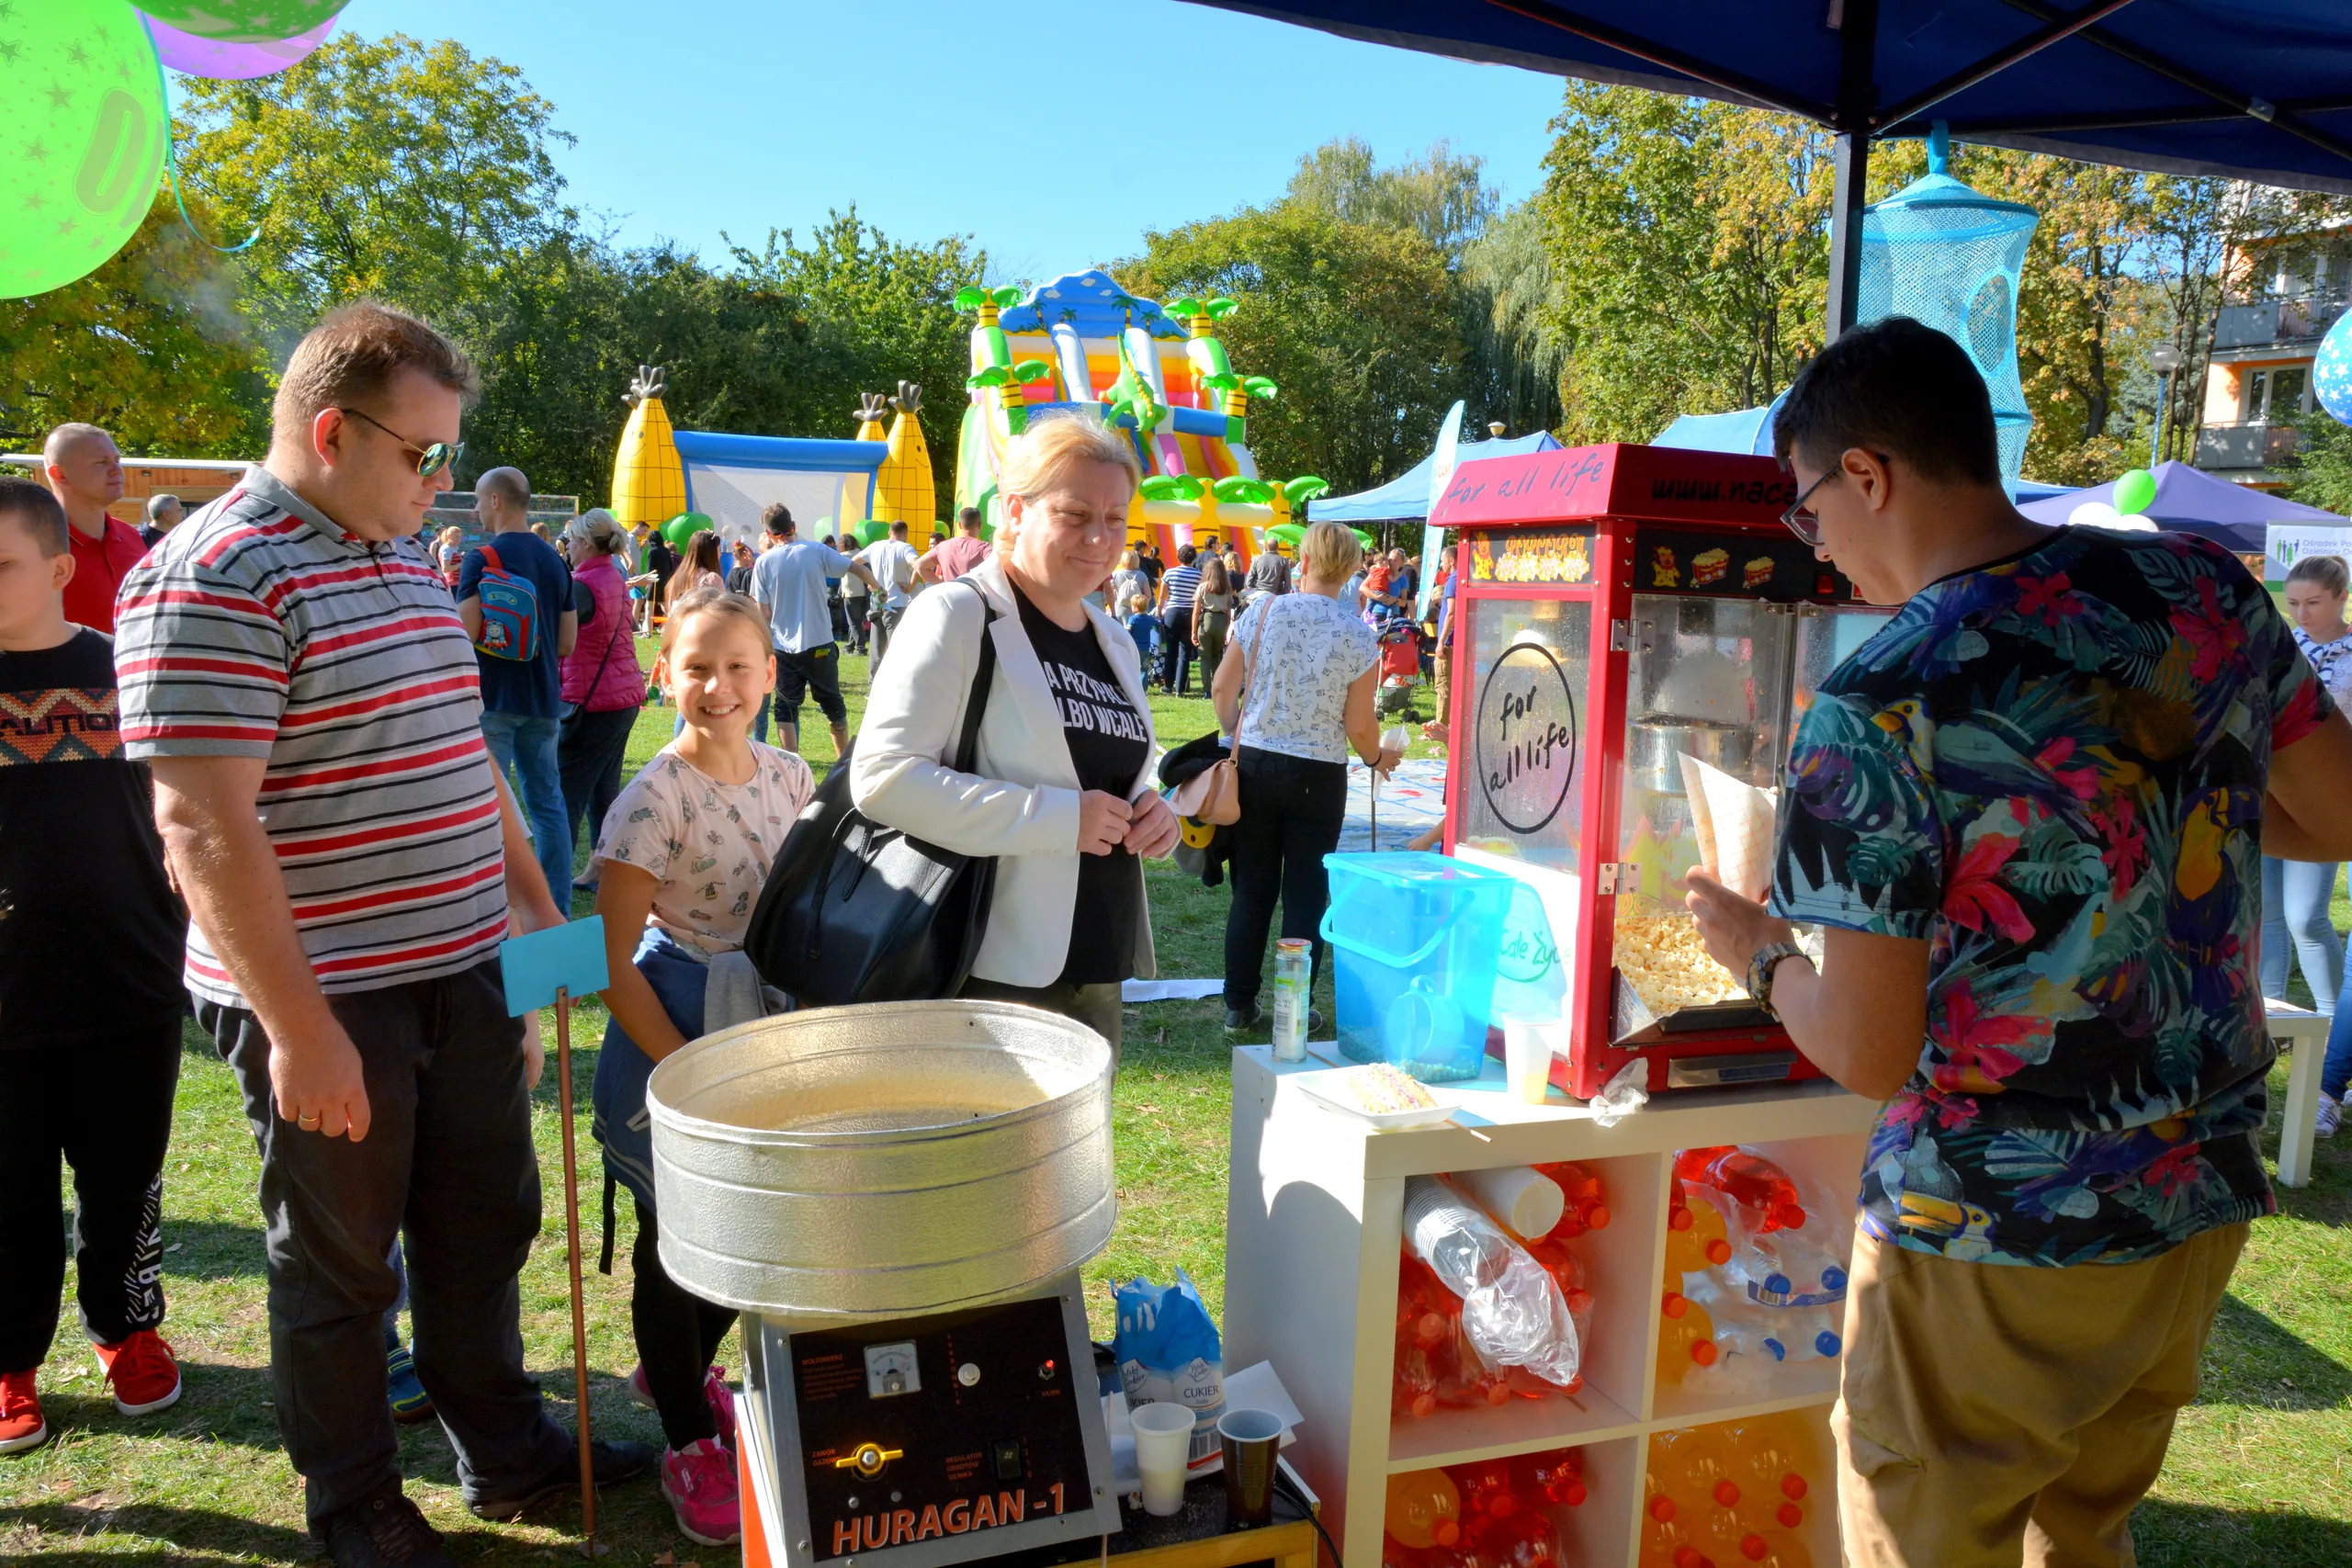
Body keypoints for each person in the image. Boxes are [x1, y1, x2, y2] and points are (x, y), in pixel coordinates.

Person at [1676, 316, 2352, 1568]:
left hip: (1995, 1227)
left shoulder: (1883, 694)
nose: (1814, 546)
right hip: (2196, 1191)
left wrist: (1759, 950)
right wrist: (2159, 809)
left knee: (1925, 1532)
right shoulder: (2199, 589)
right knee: (2078, 1534)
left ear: (1867, 474)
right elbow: (2337, 810)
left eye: (1808, 511)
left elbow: (1873, 1048)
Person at [116, 302, 652, 1566]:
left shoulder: (409, 554)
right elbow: (200, 825)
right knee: (343, 1264)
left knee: (485, 1220)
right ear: (326, 430)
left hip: (464, 963)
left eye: (448, 454)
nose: (442, 480)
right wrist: (301, 1031)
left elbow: (463, 761)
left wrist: (534, 914)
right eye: (421, 454)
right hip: (328, 996)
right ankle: (353, 1504)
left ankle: (506, 1447)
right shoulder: (211, 574)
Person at [589, 587, 813, 1548]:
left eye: (736, 667)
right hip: (674, 1029)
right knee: (675, 1245)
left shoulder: (795, 774)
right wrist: (683, 1075)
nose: (716, 686)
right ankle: (685, 1431)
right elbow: (610, 967)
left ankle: (676, 1367)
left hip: (763, 1026)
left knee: (746, 1236)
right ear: (662, 676)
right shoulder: (651, 800)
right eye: (696, 668)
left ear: (769, 673)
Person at [853, 414, 1176, 1055]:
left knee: (1079, 1156)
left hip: (1096, 957)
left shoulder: (1113, 638)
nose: (1098, 536)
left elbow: (1108, 767)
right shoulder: (957, 613)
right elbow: (882, 778)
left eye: (1116, 519)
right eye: (1075, 512)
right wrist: (1061, 819)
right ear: (1015, 511)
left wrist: (1153, 810)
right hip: (987, 964)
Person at [0, 479, 189, 1458]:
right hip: (4, 999)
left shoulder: (130, 672)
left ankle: (127, 1328)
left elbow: (191, 805)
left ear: (61, 569)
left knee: (125, 1177)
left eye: (3, 566)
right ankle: (11, 1358)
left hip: (128, 978)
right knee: (9, 1192)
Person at [1211, 520, 1398, 1033]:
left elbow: (1223, 691)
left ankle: (1239, 1004)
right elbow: (1360, 726)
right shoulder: (1358, 635)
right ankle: (1295, 1008)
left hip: (1255, 765)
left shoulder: (1261, 611)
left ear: (1306, 561)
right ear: (1352, 569)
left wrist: (1237, 731)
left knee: (1252, 890)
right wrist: (1378, 758)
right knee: (1306, 893)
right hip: (1320, 774)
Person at [458, 465, 582, 912]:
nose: (474, 510)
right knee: (548, 805)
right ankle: (556, 908)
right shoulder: (556, 560)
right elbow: (567, 642)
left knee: (490, 807)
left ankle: (496, 910)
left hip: (493, 700)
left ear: (495, 500)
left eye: (477, 499)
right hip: (544, 701)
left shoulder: (481, 558)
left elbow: (467, 629)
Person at [557, 510, 647, 893]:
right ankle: (601, 869)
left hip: (593, 702)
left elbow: (562, 643)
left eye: (573, 541)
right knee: (604, 791)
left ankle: (553, 877)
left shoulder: (583, 586)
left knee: (567, 796)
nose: (569, 547)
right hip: (621, 697)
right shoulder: (614, 575)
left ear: (587, 543)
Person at [746, 502, 878, 757]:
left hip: (782, 647)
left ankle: (793, 761)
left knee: (785, 707)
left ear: (770, 534)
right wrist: (876, 587)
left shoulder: (763, 563)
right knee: (833, 705)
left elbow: (764, 612)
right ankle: (842, 763)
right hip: (820, 643)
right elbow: (857, 568)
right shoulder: (815, 550)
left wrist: (765, 643)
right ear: (793, 527)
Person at [40, 423, 146, 635]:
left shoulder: (132, 538)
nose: (117, 471)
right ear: (60, 475)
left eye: (117, 460)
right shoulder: (33, 548)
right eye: (101, 462)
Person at [858, 519, 919, 669]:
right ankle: (894, 684)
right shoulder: (905, 548)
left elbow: (854, 563)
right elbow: (918, 565)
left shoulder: (875, 546)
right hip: (897, 604)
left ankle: (873, 686)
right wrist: (911, 585)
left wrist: (871, 582)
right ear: (905, 533)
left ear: (889, 532)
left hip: (877, 603)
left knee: (876, 651)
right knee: (896, 649)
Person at [1157, 543, 1203, 694]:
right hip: (1190, 613)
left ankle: (1168, 685)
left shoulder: (1169, 573)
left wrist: (1159, 611)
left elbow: (1162, 596)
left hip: (1173, 612)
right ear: (1194, 558)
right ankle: (1180, 688)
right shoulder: (1198, 575)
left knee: (1171, 650)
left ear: (1179, 557)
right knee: (1185, 652)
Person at [1193, 553, 1237, 690]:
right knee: (1216, 656)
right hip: (1222, 620)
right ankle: (1217, 686)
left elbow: (1195, 611)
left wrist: (1193, 632)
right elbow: (1230, 611)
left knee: (1205, 656)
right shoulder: (1226, 588)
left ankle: (1206, 689)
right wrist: (1227, 629)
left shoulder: (1203, 587)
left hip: (1207, 619)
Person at [918, 505, 992, 584]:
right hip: (973, 594)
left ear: (959, 525)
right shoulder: (984, 548)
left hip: (949, 595)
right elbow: (999, 568)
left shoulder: (943, 546)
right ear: (980, 525)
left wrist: (941, 586)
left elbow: (919, 565)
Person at [665, 529, 725, 615]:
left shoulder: (676, 579)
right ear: (711, 553)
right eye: (719, 550)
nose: (721, 554)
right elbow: (721, 611)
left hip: (678, 625)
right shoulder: (711, 579)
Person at [840, 531, 872, 656]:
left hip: (850, 592)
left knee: (854, 622)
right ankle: (850, 646)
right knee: (857, 621)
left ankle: (861, 648)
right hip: (863, 592)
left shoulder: (842, 556)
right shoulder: (861, 554)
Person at [1243, 541, 1292, 605]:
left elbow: (1249, 581)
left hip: (1258, 597)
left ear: (1266, 548)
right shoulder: (1283, 561)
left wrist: (1254, 592)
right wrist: (1281, 597)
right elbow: (1288, 584)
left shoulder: (1257, 559)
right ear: (1278, 547)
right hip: (1275, 598)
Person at [1124, 592, 1162, 669]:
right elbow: (1158, 624)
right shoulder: (1150, 619)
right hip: (1146, 648)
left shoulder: (1132, 619)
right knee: (1144, 670)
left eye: (1132, 605)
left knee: (1133, 668)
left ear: (1136, 607)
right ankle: (1144, 681)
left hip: (1134, 648)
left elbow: (1127, 632)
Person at [1110, 547, 1149, 616]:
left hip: (1120, 609)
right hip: (1138, 610)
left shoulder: (1115, 574)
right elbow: (1148, 595)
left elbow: (1111, 594)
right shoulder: (1142, 575)